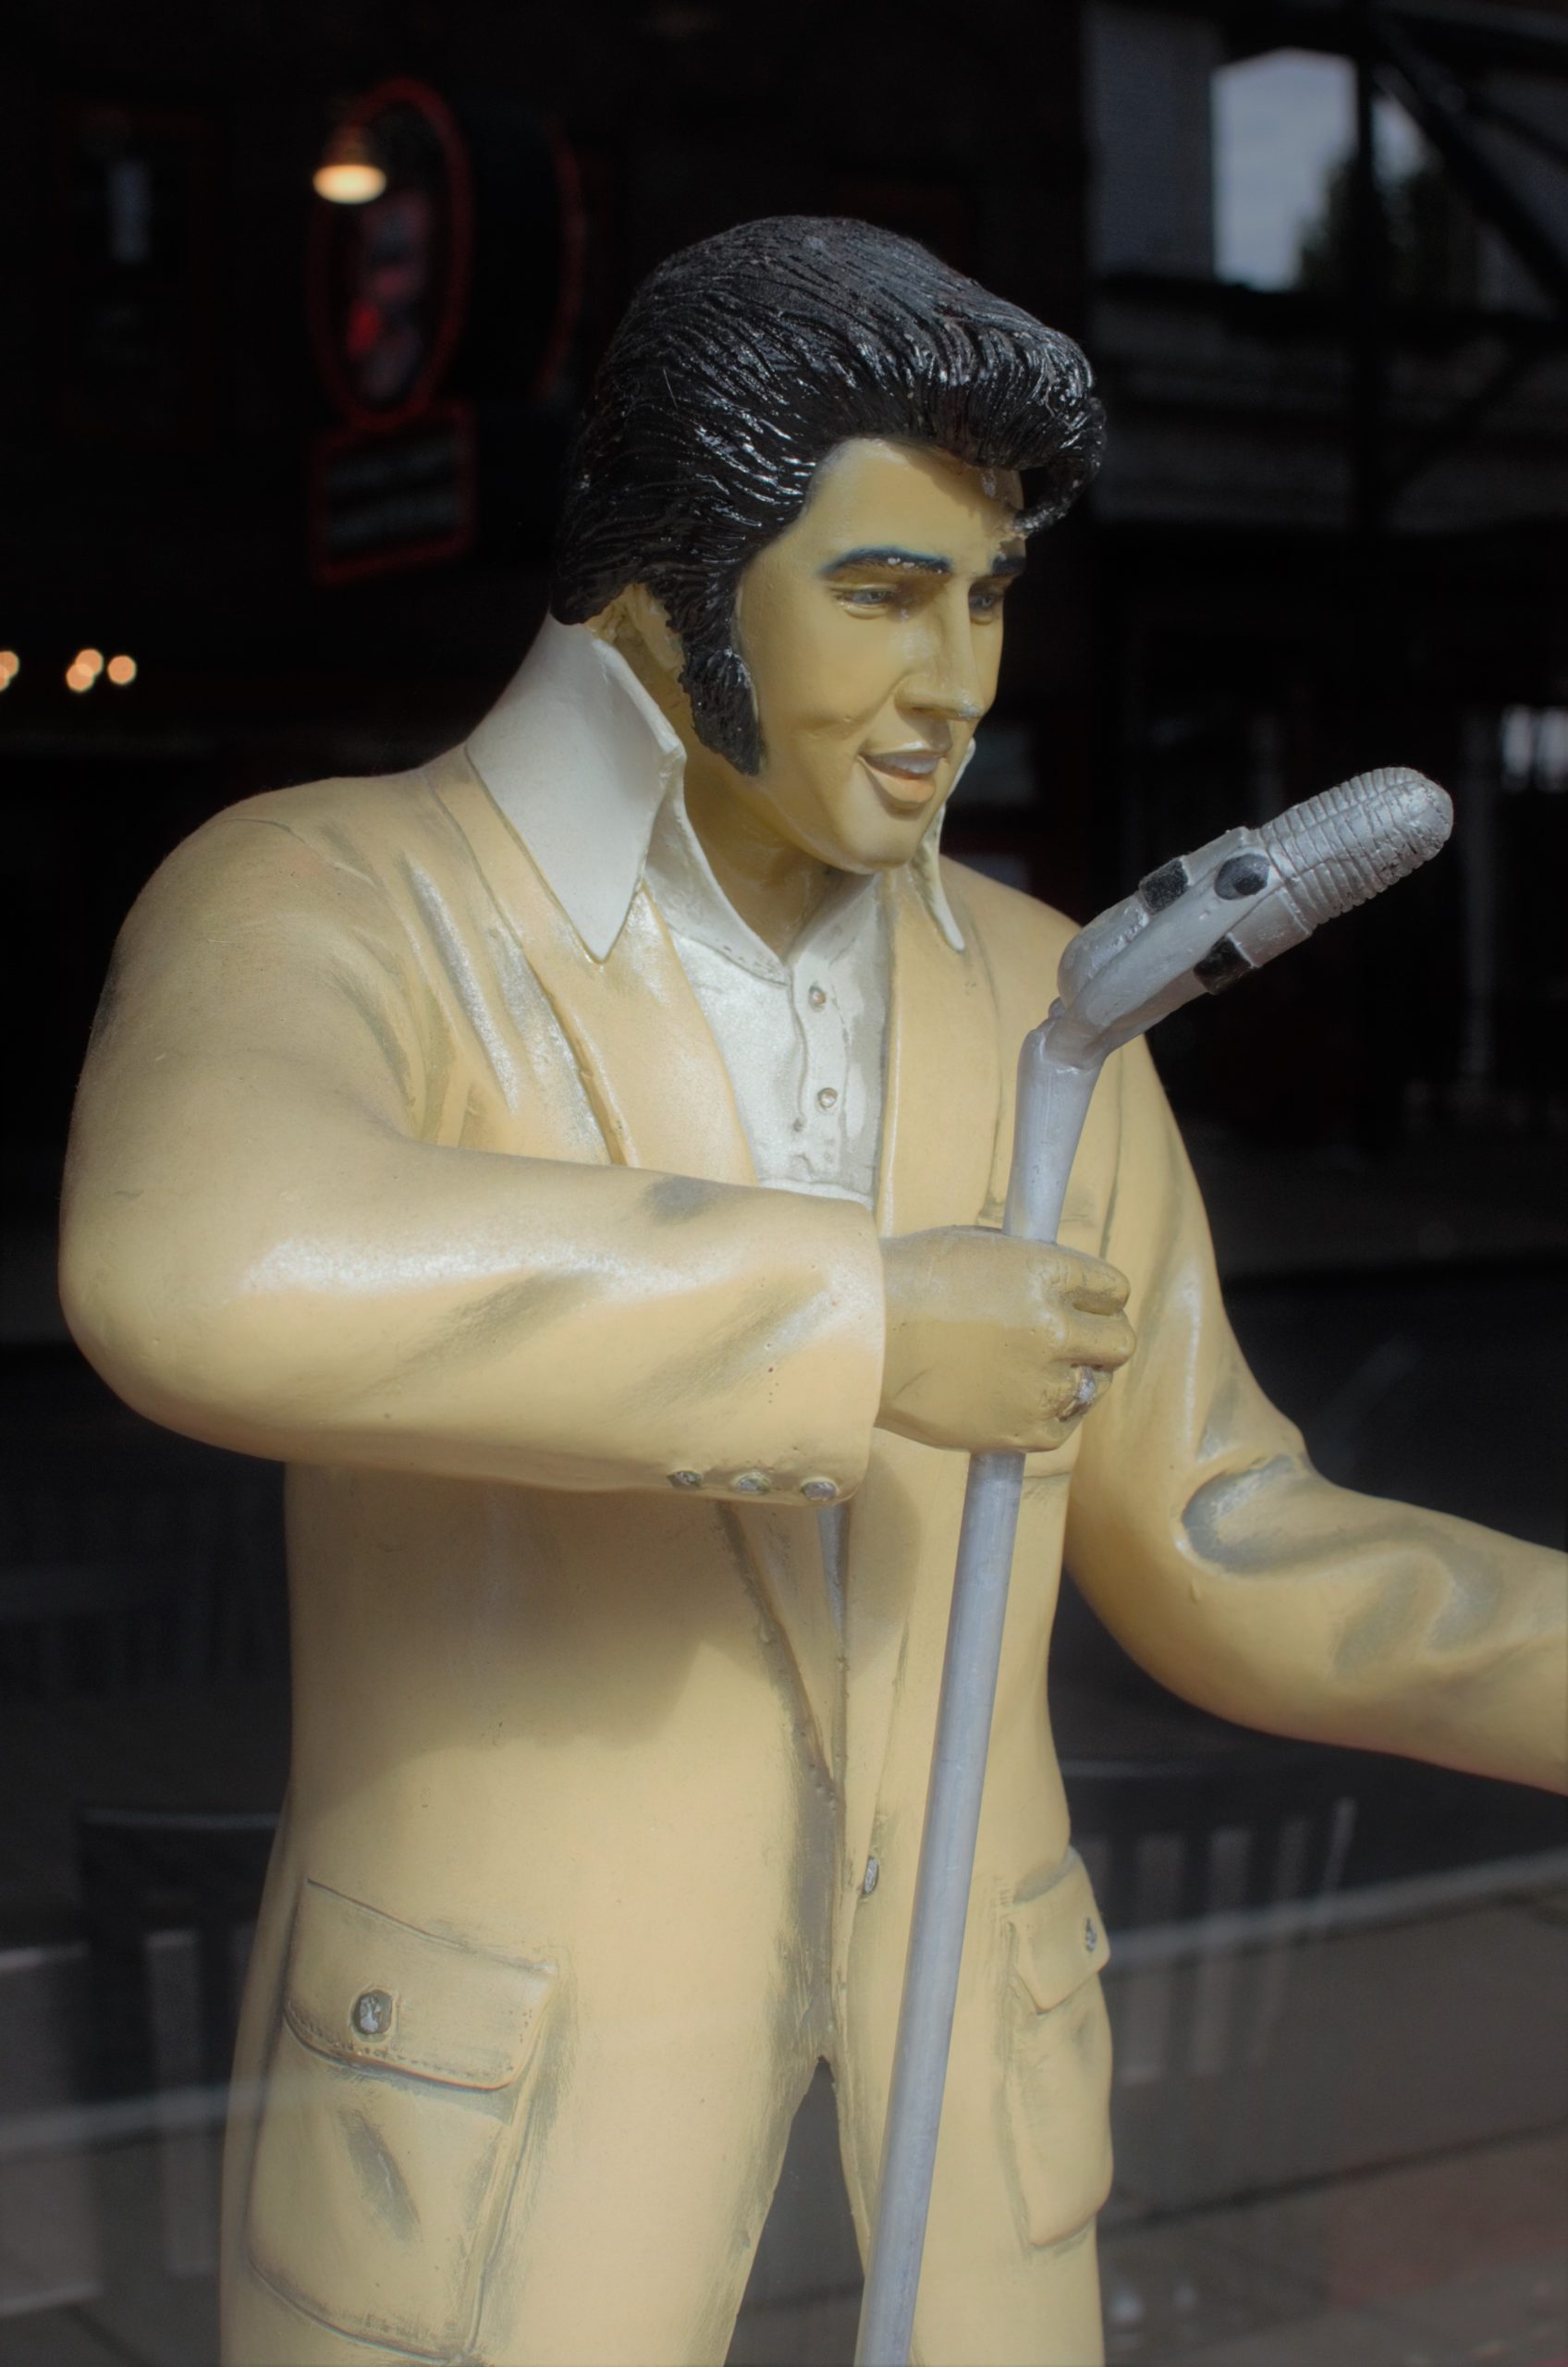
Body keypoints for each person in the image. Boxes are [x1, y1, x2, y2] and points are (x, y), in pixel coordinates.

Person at [59, 217, 1565, 2367]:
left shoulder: (1057, 998)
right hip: (495, 2179)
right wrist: (860, 1321)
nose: (955, 678)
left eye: (986, 595)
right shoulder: (337, 898)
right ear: (662, 586)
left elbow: (1229, 1537)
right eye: (879, 591)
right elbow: (197, 1253)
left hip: (960, 2172)